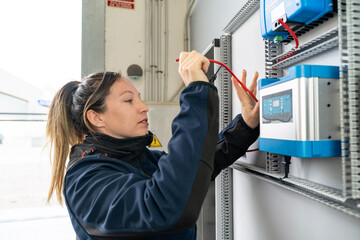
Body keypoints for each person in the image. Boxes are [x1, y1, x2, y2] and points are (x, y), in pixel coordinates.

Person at [46, 50, 259, 240]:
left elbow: (192, 168)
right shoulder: (86, 180)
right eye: (129, 100)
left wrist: (245, 126)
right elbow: (163, 207)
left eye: (139, 99)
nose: (144, 107)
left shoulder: (141, 158)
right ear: (96, 118)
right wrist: (196, 93)